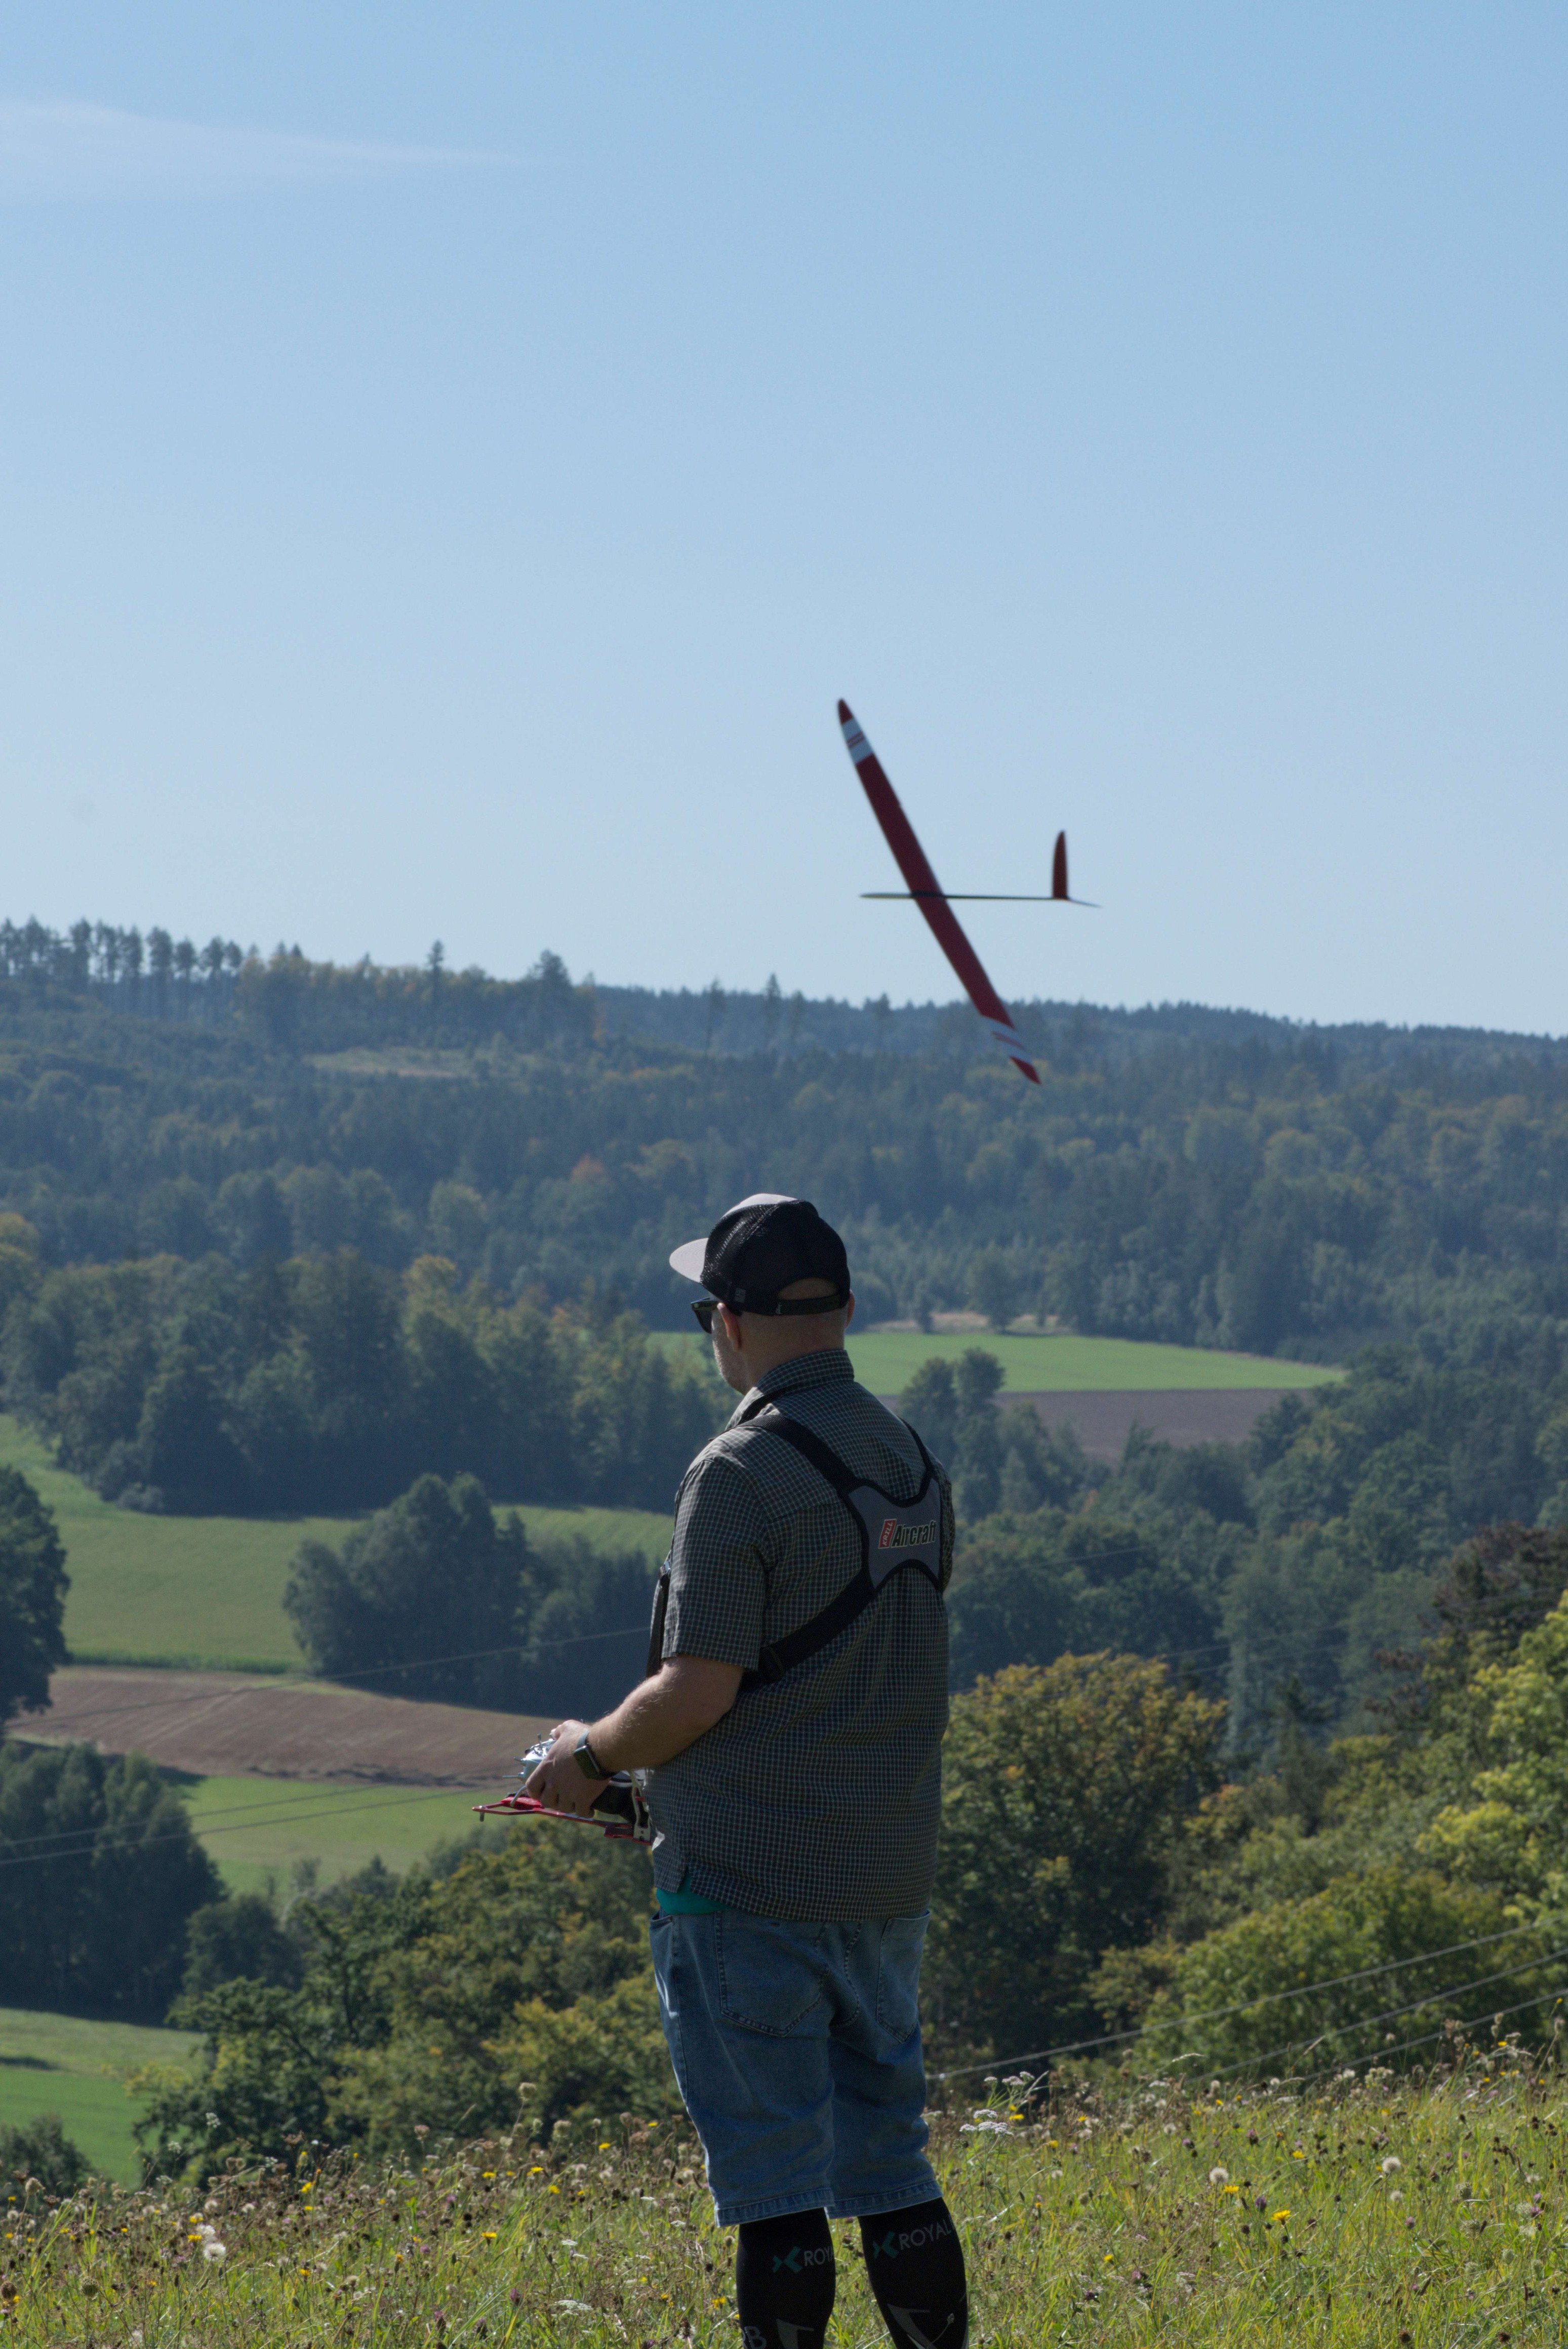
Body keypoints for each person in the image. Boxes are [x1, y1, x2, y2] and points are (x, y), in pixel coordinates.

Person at [526, 1192, 969, 2349]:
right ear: (845, 1310)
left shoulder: (737, 1470)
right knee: (891, 2163)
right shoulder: (911, 1462)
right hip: (886, 1878)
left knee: (775, 2184)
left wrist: (588, 1756)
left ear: (726, 1321)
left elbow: (697, 1692)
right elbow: (839, 1687)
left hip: (748, 1885)